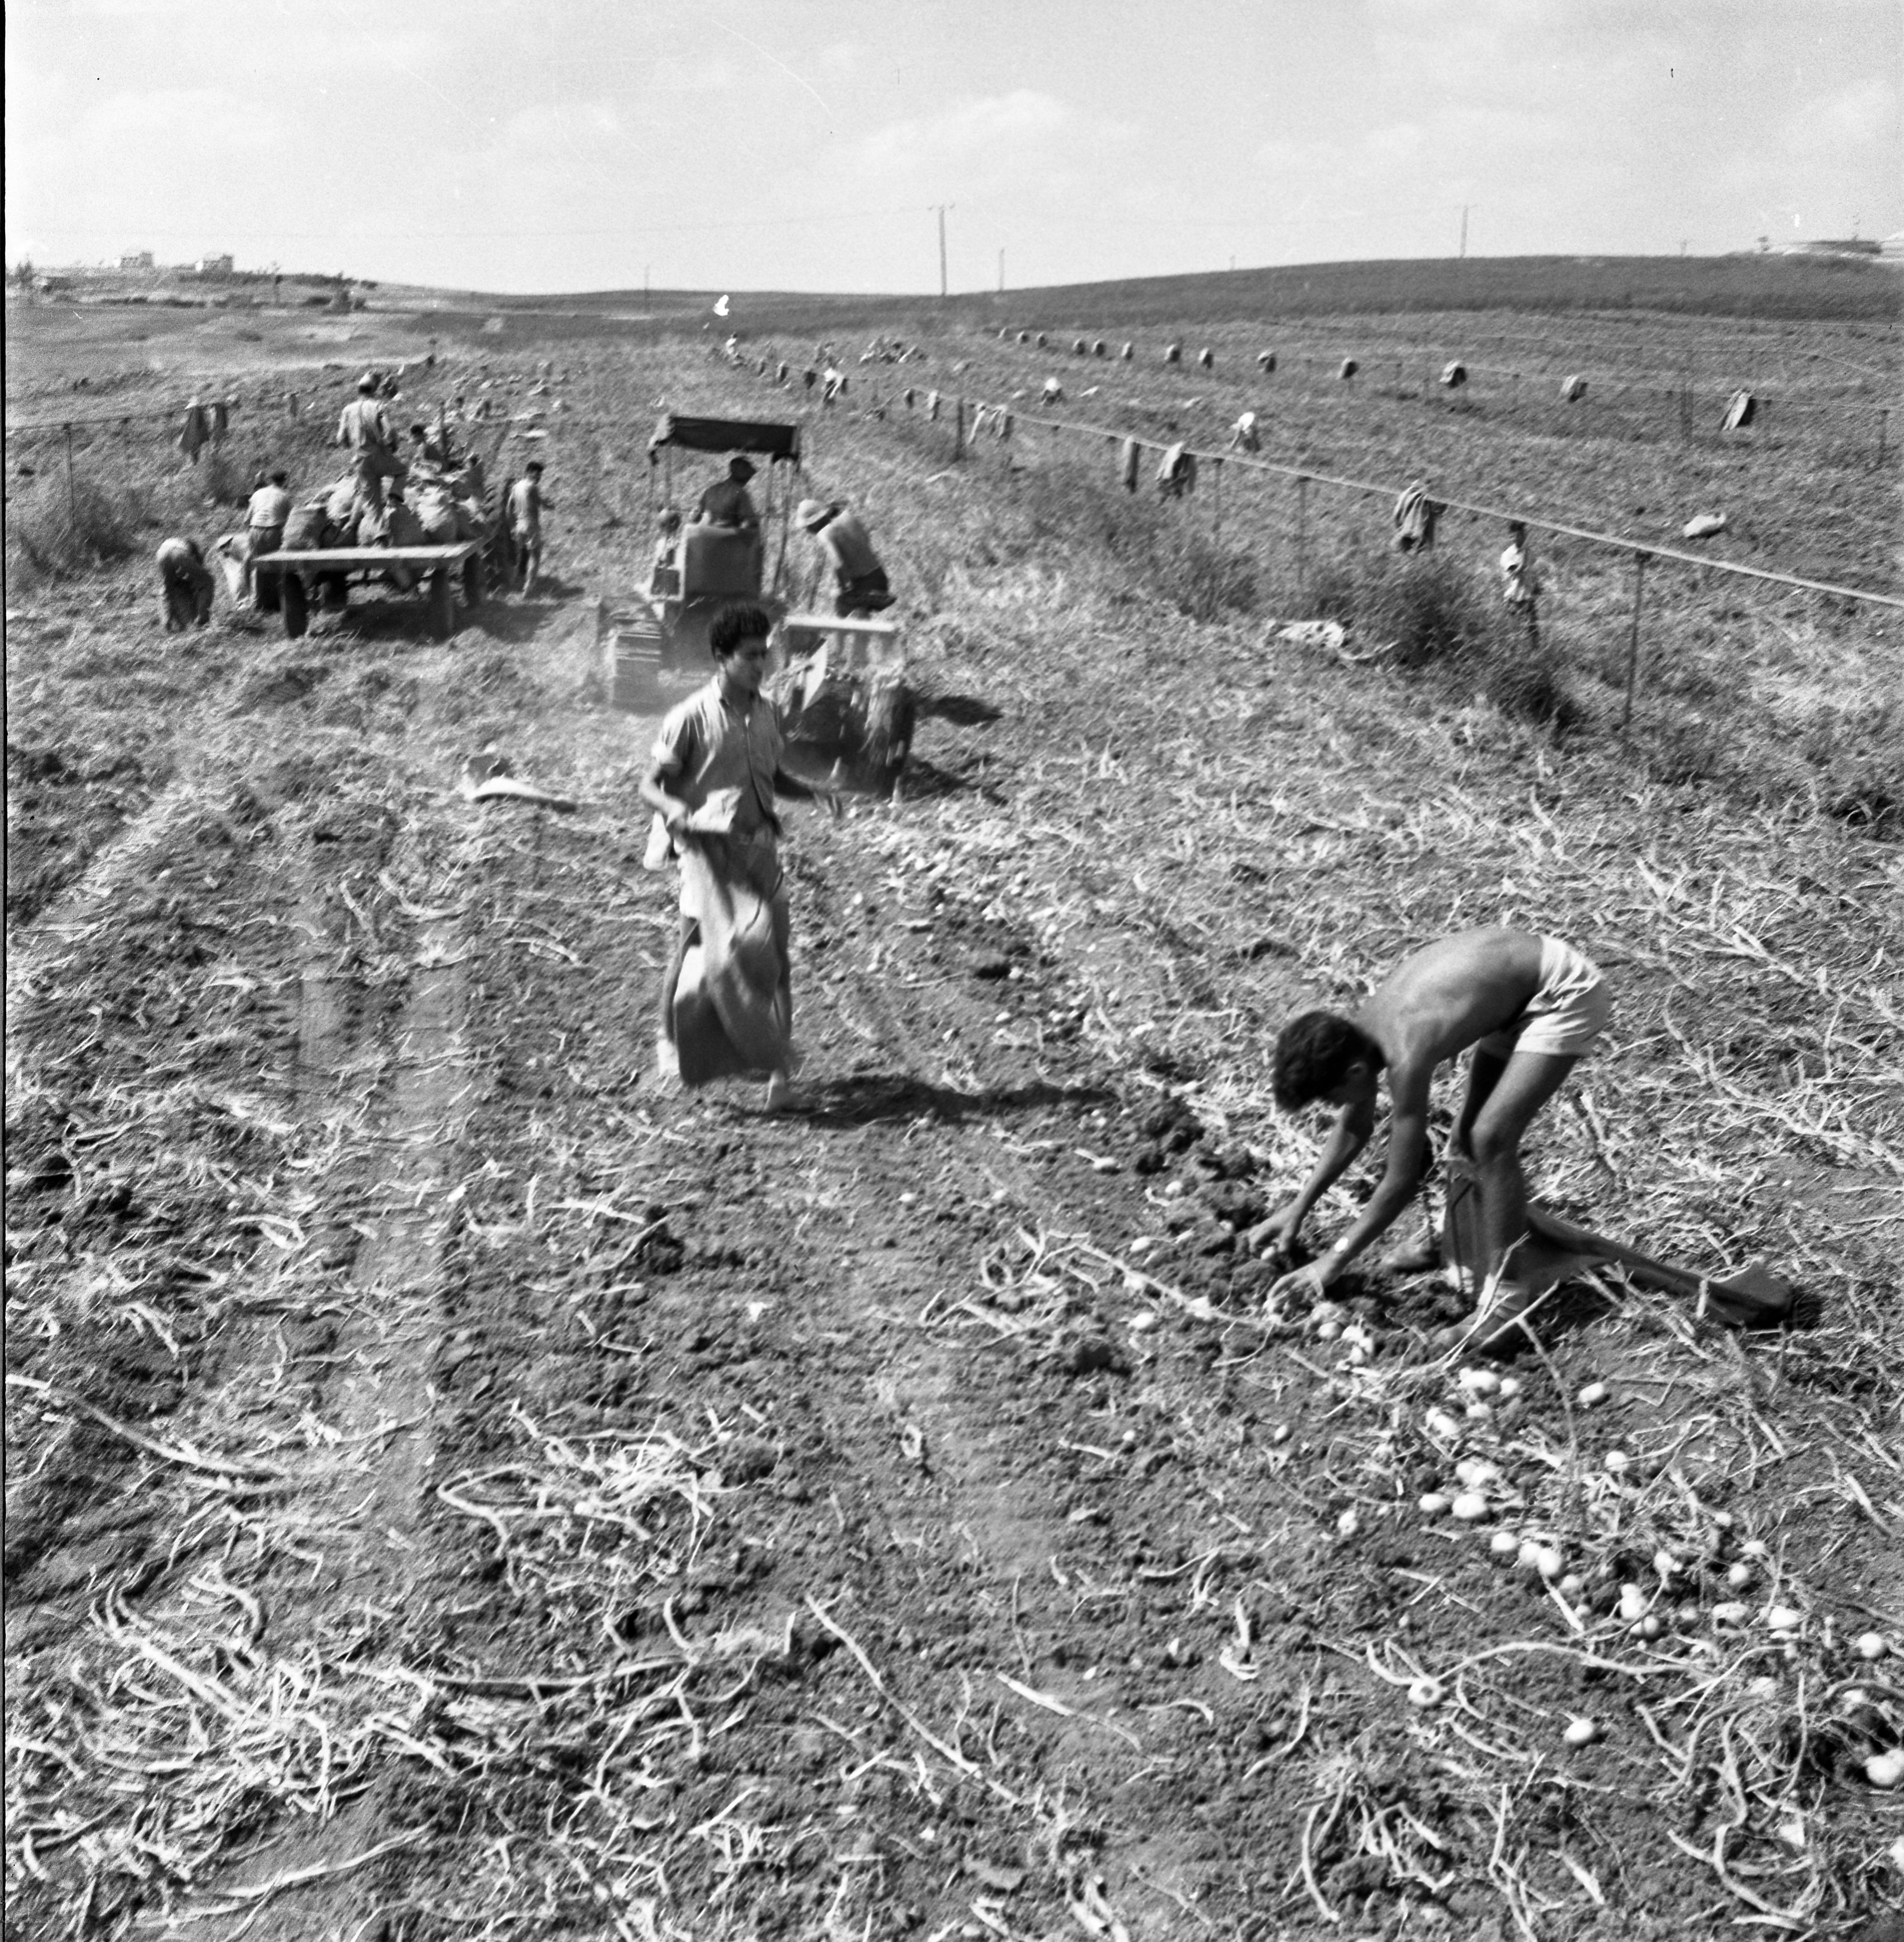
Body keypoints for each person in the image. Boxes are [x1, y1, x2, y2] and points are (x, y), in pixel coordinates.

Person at [1261, 927, 1611, 1350]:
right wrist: (1297, 1208)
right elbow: (1352, 1128)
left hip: (1560, 991)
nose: (1333, 1106)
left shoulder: (1403, 1055)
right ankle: (1452, 1234)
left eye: (1328, 1097)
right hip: (1515, 993)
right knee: (1465, 1139)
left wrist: (1335, 1257)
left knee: (1490, 1138)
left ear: (1353, 1073)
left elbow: (1400, 1183)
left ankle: (1504, 1308)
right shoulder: (1356, 1039)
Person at [639, 603, 838, 1110]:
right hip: (709, 857)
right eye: (749, 656)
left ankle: (779, 1083)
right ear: (721, 658)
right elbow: (649, 785)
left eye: (764, 653)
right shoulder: (689, 717)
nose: (761, 663)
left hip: (760, 850)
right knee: (693, 953)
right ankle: (670, 1044)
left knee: (776, 963)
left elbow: (773, 778)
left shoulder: (769, 712)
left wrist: (811, 790)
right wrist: (675, 811)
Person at [796, 498, 893, 617]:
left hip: (862, 583)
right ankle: (863, 610)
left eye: (808, 527)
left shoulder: (825, 533)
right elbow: (866, 541)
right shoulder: (849, 517)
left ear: (816, 521)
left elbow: (839, 564)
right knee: (858, 614)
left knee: (841, 604)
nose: (808, 531)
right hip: (880, 578)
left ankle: (858, 609)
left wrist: (844, 589)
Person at [335, 373, 404, 509]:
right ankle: (394, 498)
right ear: (373, 390)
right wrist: (390, 446)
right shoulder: (378, 406)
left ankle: (359, 523)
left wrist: (352, 444)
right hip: (378, 457)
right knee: (403, 472)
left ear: (359, 390)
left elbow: (341, 439)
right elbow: (390, 431)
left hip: (361, 461)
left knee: (372, 503)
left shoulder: (347, 410)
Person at [506, 461, 550, 594]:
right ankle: (529, 588)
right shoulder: (532, 487)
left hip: (519, 526)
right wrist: (550, 505)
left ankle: (514, 584)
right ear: (529, 472)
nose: (539, 478)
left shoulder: (516, 487)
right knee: (535, 557)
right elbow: (542, 503)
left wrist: (512, 527)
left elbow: (508, 509)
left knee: (521, 555)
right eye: (537, 475)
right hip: (532, 525)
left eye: (540, 475)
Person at [156, 536, 214, 631]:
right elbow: (199, 576)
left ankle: (166, 623)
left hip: (161, 553)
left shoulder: (181, 543)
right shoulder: (192, 552)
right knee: (207, 581)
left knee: (168, 589)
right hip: (178, 553)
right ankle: (202, 620)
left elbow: (181, 575)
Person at [695, 457, 760, 531]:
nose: (750, 477)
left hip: (705, 536)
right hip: (726, 538)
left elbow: (696, 518)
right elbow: (752, 522)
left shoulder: (711, 490)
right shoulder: (740, 493)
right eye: (749, 475)